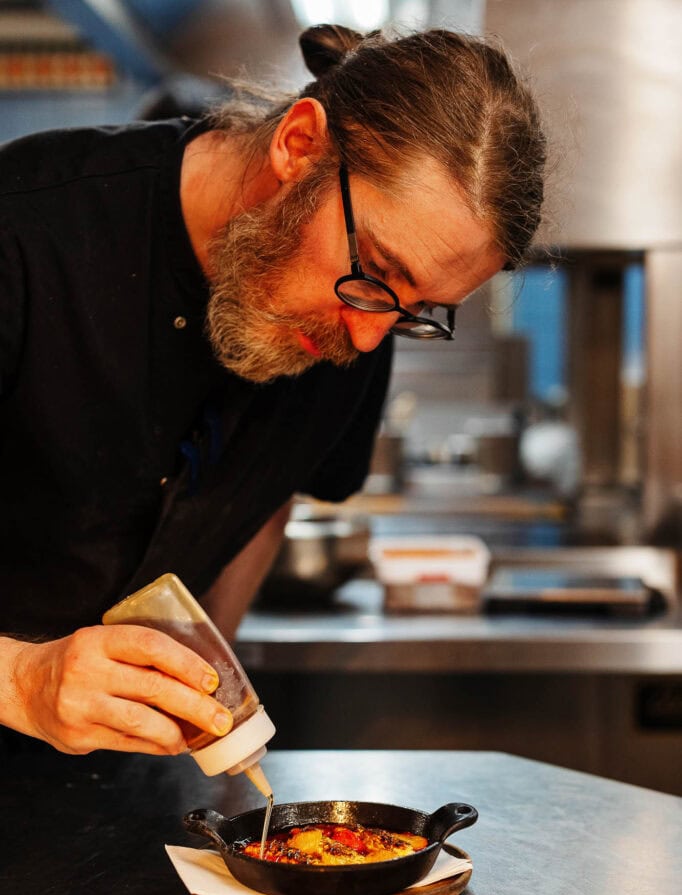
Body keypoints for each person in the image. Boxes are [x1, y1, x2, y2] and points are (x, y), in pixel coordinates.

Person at [0, 24, 546, 759]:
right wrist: (22, 682)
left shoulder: (360, 315)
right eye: (378, 268)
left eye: (415, 311)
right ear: (299, 144)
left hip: (120, 799)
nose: (367, 338)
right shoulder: (26, 231)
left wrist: (211, 693)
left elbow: (265, 489)